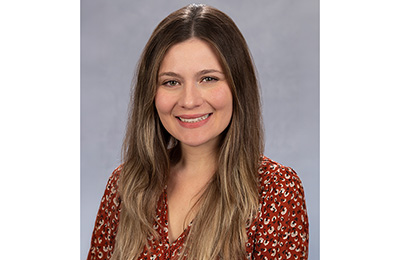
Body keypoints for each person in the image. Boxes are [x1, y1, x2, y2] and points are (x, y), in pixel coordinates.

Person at [87, 4, 309, 260]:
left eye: (208, 79)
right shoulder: (125, 185)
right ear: (151, 93)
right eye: (171, 82)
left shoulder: (276, 190)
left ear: (238, 86)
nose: (189, 101)